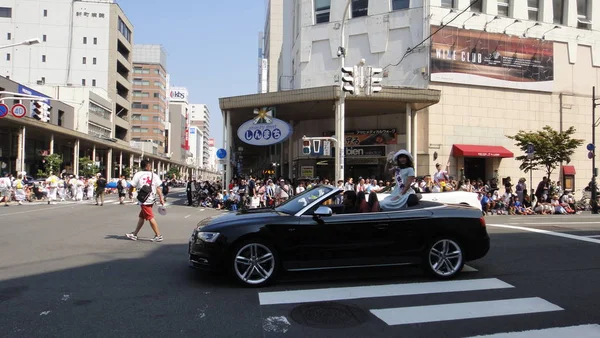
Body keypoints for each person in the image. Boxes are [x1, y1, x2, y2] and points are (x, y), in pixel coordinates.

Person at [126, 160, 164, 242]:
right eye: (150, 165)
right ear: (148, 166)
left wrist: (130, 193)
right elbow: (158, 187)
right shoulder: (154, 175)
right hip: (151, 198)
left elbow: (132, 185)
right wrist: (161, 197)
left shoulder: (138, 174)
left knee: (150, 217)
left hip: (144, 199)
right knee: (141, 217)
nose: (150, 167)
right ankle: (134, 234)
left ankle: (158, 235)